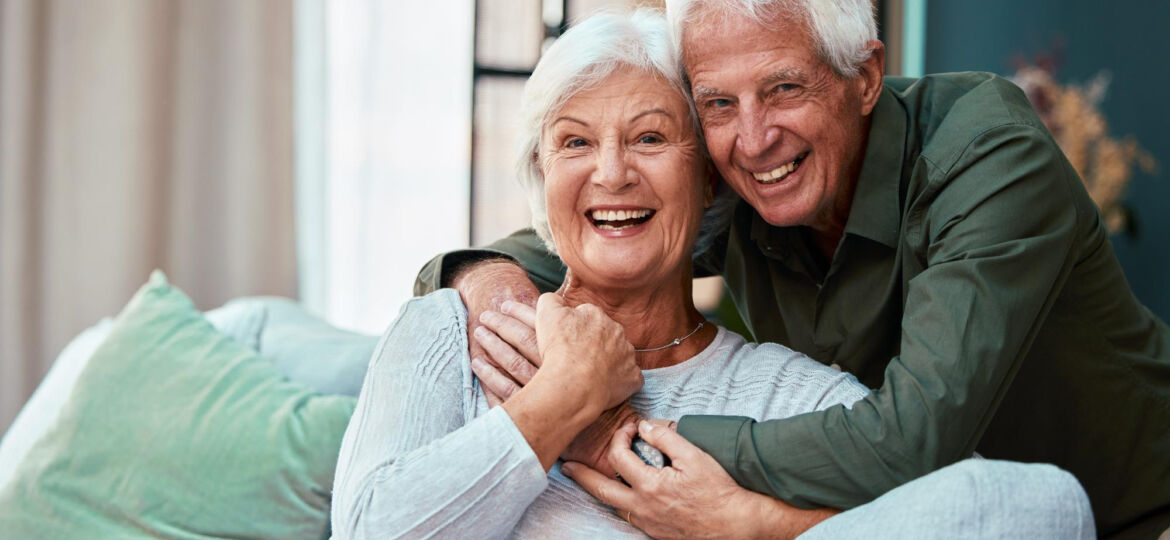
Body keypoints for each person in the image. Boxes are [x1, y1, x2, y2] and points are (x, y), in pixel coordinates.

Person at [416, 0, 1170, 538]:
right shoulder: (743, 184)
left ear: (865, 76)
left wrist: (620, 436)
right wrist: (489, 289)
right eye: (716, 103)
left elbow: (909, 441)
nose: (753, 138)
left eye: (783, 88)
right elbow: (591, 227)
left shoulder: (985, 157)